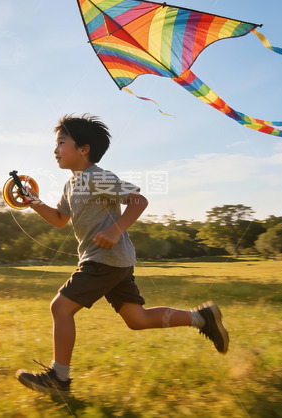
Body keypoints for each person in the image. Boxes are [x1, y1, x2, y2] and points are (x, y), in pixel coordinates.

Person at [15, 113, 228, 395]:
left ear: (83, 149)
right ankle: (202, 318)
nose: (55, 150)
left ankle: (59, 378)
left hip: (104, 258)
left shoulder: (96, 177)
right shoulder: (71, 185)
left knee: (60, 307)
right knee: (136, 319)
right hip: (113, 261)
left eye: (61, 142)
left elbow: (138, 201)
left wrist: (115, 230)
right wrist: (33, 201)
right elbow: (59, 219)